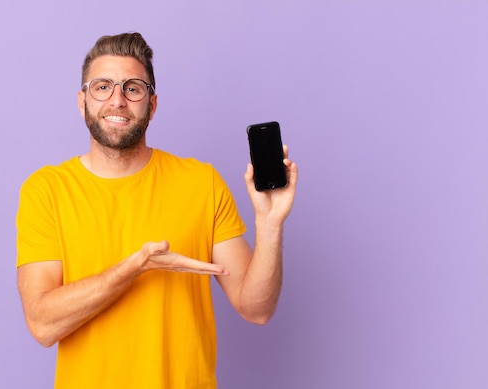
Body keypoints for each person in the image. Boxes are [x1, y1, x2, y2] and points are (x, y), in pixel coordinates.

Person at [16, 32, 298, 388]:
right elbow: (42, 324)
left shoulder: (201, 183)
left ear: (151, 104)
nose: (117, 100)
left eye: (133, 88)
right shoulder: (47, 191)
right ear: (82, 100)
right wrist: (135, 267)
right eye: (102, 86)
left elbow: (256, 309)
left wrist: (270, 224)